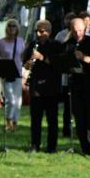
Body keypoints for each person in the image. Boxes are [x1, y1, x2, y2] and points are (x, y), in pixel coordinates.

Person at [64, 18, 90, 155]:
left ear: (85, 29)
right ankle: (84, 147)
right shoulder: (68, 44)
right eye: (74, 31)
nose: (77, 33)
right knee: (79, 116)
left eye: (80, 30)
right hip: (75, 82)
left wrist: (84, 58)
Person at [23, 19, 63, 153]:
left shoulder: (56, 45)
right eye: (37, 31)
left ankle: (52, 147)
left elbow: (58, 64)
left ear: (49, 32)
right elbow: (25, 64)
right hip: (36, 86)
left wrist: (41, 57)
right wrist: (28, 64)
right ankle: (35, 145)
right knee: (35, 119)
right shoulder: (32, 45)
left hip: (52, 86)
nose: (38, 34)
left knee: (52, 119)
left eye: (41, 31)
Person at [0, 19, 25, 131]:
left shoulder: (21, 41)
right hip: (6, 74)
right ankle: (8, 121)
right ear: (6, 28)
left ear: (17, 28)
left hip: (18, 73)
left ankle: (15, 122)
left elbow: (23, 57)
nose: (12, 28)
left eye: (14, 26)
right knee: (10, 100)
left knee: (18, 101)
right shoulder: (1, 43)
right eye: (10, 26)